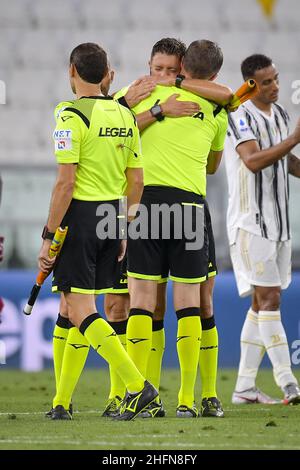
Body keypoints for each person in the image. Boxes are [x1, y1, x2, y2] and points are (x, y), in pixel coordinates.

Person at [38, 42, 158, 420]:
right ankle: (60, 403)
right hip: (113, 216)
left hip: (82, 218)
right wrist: (125, 224)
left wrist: (48, 234)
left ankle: (139, 388)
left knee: (80, 308)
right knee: (78, 308)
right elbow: (135, 179)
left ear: (72, 71)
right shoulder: (125, 115)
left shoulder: (68, 113)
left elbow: (65, 184)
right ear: (108, 74)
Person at [120, 40, 228, 418]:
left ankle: (141, 397)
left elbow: (110, 134)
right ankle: (186, 399)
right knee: (189, 305)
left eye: (169, 69)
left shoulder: (133, 93)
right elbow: (214, 164)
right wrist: (161, 110)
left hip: (145, 204)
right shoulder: (215, 102)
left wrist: (153, 110)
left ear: (181, 67)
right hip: (186, 206)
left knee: (143, 303)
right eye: (158, 68)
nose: (162, 75)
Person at [224, 54, 300, 405]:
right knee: (271, 299)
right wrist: (295, 138)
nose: (275, 86)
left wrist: (293, 144)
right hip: (251, 221)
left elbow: (287, 162)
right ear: (251, 83)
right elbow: (253, 161)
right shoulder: (238, 113)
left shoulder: (282, 115)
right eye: (266, 81)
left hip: (280, 223)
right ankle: (289, 382)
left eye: (276, 79)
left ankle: (244, 388)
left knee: (261, 302)